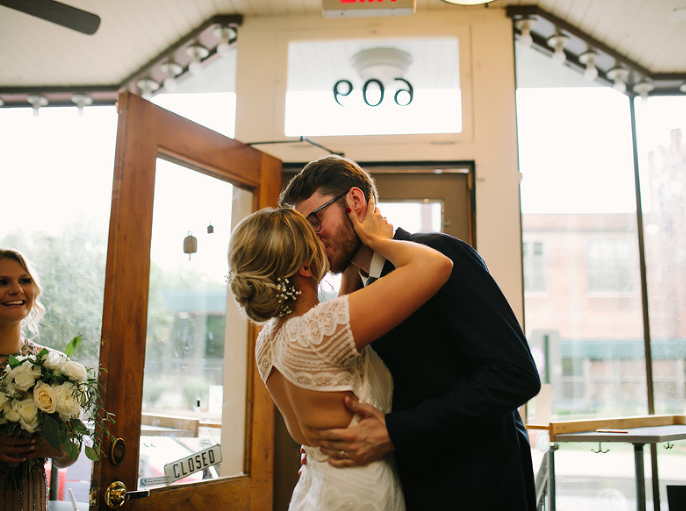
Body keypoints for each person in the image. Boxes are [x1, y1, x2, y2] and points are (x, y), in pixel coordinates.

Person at [279, 155, 542, 510]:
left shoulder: (440, 254)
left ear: (355, 203)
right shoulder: (355, 295)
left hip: (476, 488)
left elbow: (515, 376)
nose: (308, 239)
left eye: (314, 220)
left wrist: (394, 431)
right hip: (408, 490)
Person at [228, 200, 453, 510]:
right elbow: (436, 265)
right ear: (305, 267)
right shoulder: (319, 330)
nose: (323, 240)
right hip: (360, 496)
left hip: (316, 489)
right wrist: (377, 240)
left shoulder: (268, 340)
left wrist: (349, 256)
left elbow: (337, 323)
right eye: (315, 239)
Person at [0, 249, 76, 510]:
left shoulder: (54, 364)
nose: (17, 289)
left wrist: (54, 447)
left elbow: (69, 456)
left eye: (25, 280)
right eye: (1, 282)